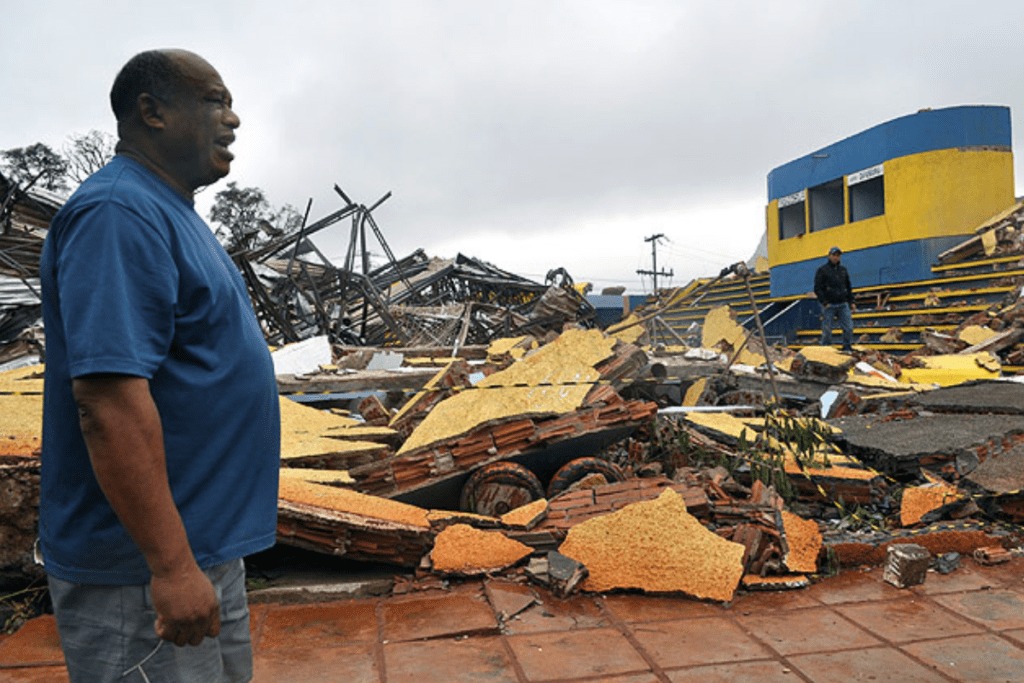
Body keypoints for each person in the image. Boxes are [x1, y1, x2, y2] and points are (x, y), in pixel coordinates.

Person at [39, 49, 280, 683]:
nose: (232, 119)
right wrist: (171, 567)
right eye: (213, 100)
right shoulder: (118, 213)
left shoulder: (170, 210)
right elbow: (107, 400)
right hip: (139, 573)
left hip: (202, 549)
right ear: (152, 112)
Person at [813, 246, 855, 353]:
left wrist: (852, 301)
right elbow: (817, 288)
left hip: (843, 303)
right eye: (834, 255)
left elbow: (848, 287)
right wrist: (824, 302)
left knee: (849, 327)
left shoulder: (843, 270)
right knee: (827, 330)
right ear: (829, 256)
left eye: (838, 255)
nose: (836, 257)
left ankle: (847, 348)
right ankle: (826, 350)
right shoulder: (822, 270)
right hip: (829, 305)